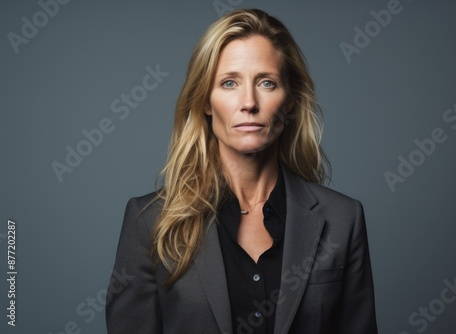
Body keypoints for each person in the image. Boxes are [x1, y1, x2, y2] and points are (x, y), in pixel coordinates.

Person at [106, 8, 378, 334]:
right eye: (229, 82)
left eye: (266, 82)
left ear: (289, 100)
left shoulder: (343, 219)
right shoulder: (149, 222)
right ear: (206, 101)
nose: (248, 102)